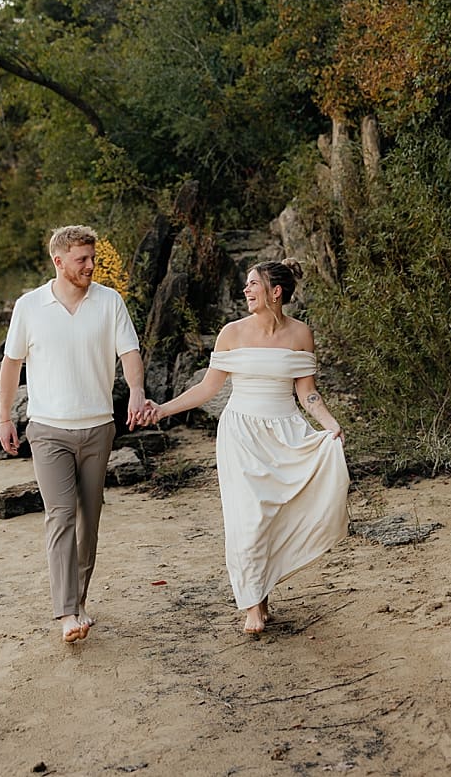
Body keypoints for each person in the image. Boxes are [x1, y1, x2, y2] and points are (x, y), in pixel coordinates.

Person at [134, 259, 349, 636]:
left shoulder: (301, 334)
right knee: (247, 519)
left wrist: (330, 425)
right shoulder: (231, 333)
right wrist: (162, 410)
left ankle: (263, 590)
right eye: (246, 285)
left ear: (275, 291)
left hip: (286, 432)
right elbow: (207, 388)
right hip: (241, 435)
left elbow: (307, 391)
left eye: (253, 285)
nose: (246, 291)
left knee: (275, 516)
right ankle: (253, 604)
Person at [0, 225, 150, 644]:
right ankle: (66, 612)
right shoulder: (29, 306)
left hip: (98, 427)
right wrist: (4, 417)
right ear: (58, 261)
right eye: (81, 259)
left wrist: (136, 392)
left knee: (89, 520)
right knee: (61, 516)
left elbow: (130, 352)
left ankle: (79, 601)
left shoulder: (109, 301)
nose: (90, 266)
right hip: (47, 430)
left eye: (92, 257)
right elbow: (12, 364)